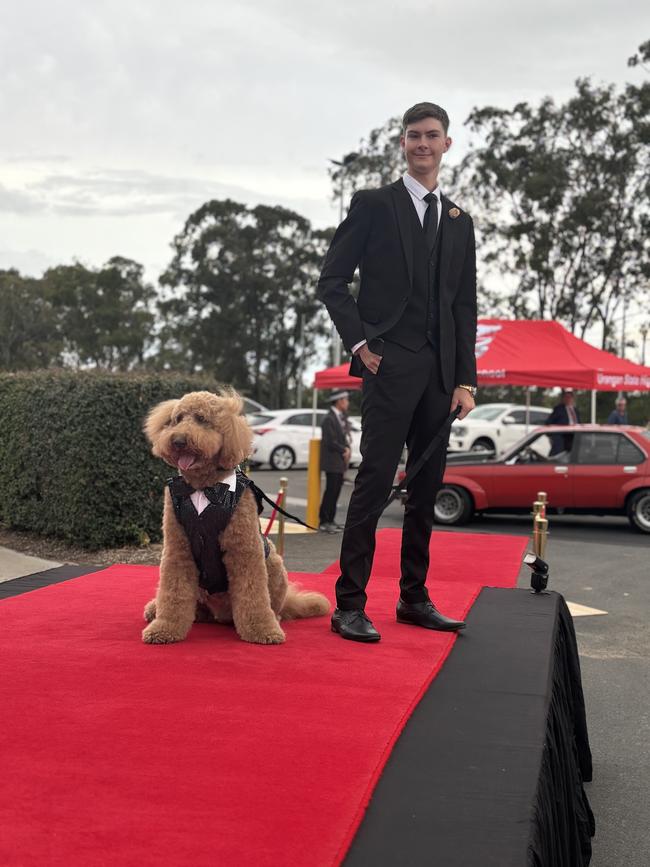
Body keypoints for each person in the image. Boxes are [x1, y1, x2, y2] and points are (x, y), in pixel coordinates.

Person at [318, 101, 477, 643]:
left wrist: (465, 379)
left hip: (439, 374)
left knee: (426, 488)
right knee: (375, 481)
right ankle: (350, 604)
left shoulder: (459, 221)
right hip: (388, 362)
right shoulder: (374, 205)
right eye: (414, 136)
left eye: (432, 136)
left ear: (447, 144)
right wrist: (360, 343)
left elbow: (464, 307)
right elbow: (332, 280)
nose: (423, 144)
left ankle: (414, 598)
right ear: (403, 144)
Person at [319, 390, 352, 533]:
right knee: (331, 491)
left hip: (339, 462)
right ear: (339, 401)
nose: (348, 403)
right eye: (346, 400)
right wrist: (344, 450)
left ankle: (331, 520)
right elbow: (329, 441)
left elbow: (343, 438)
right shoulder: (329, 419)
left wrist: (346, 449)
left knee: (336, 491)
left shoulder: (340, 417)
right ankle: (324, 521)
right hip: (332, 462)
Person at [546, 389, 580, 455]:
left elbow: (579, 422)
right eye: (566, 397)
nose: (568, 399)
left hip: (574, 435)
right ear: (563, 398)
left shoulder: (575, 410)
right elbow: (549, 422)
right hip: (562, 435)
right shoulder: (558, 409)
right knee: (558, 453)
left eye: (569, 397)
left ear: (573, 399)